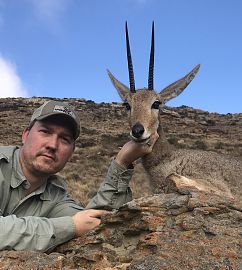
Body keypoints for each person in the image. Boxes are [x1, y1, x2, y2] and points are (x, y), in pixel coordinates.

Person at [0, 100, 158, 252]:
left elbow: (95, 222)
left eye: (64, 139)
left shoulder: (56, 195)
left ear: (71, 152)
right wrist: (70, 227)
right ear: (25, 135)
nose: (52, 145)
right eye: (45, 132)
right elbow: (75, 224)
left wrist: (122, 162)